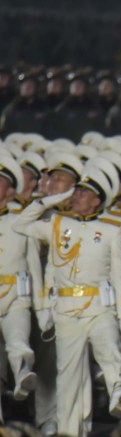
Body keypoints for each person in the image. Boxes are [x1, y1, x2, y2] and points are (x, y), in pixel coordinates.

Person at [13, 169, 121, 434]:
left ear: (97, 201)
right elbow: (20, 224)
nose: (78, 196)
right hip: (66, 311)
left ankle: (117, 388)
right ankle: (71, 434)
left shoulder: (111, 230)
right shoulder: (57, 223)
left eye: (84, 193)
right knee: (68, 377)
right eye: (77, 191)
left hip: (98, 306)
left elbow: (120, 277)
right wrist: (55, 198)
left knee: (109, 344)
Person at [0, 155, 40, 407]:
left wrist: (42, 306)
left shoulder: (21, 221)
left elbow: (35, 265)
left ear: (11, 190)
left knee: (18, 341)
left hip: (16, 294)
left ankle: (23, 371)